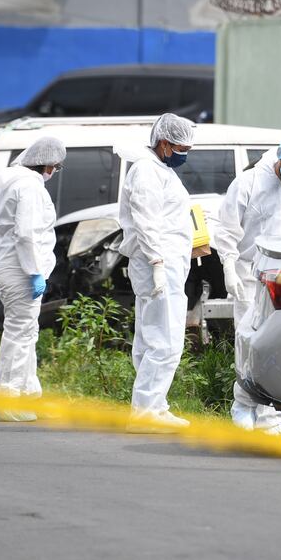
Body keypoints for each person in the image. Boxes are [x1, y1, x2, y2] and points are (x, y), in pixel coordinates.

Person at [213, 131, 281, 436]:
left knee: (279, 350)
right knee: (248, 346)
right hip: (249, 276)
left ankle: (270, 418)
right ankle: (243, 407)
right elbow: (227, 229)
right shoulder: (249, 183)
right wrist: (228, 268)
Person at [119, 113, 195, 429]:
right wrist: (157, 263)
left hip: (164, 263)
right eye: (181, 148)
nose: (184, 154)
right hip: (158, 265)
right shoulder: (146, 171)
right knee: (165, 339)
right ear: (164, 143)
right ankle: (146, 411)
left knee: (153, 336)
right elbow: (146, 220)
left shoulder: (160, 169)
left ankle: (152, 405)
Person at [0, 135, 65, 422]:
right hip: (21, 269)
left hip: (14, 264)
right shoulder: (29, 187)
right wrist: (34, 272)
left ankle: (26, 393)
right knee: (19, 334)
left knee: (25, 332)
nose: (54, 172)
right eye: (55, 167)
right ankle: (7, 400)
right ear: (46, 163)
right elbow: (26, 234)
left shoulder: (17, 182)